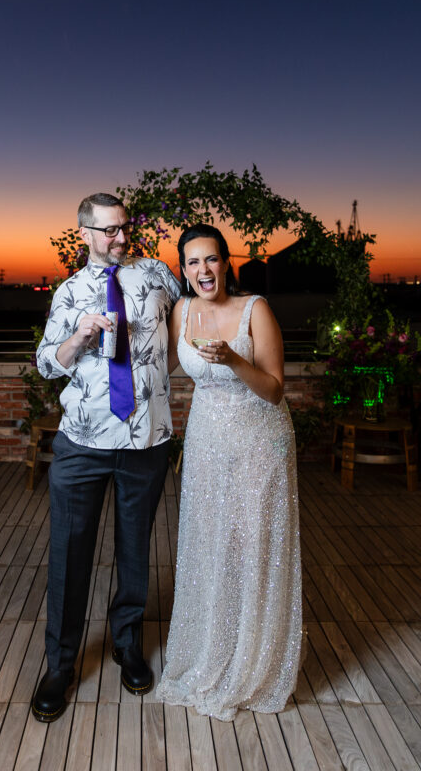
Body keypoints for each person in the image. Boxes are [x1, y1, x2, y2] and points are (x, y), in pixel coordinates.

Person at [31, 192, 180, 723]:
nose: (121, 237)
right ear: (86, 234)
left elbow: (202, 305)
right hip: (82, 446)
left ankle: (127, 644)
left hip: (146, 441)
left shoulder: (159, 275)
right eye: (110, 230)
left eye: (125, 228)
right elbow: (48, 364)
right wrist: (79, 335)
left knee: (136, 550)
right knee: (70, 555)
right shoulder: (68, 292)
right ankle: (61, 664)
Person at [156, 224, 302, 721]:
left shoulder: (255, 309)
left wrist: (234, 359)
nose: (203, 271)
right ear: (183, 270)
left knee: (254, 545)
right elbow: (166, 366)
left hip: (260, 440)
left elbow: (275, 389)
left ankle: (253, 661)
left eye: (211, 260)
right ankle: (212, 651)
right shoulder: (182, 310)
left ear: (226, 262)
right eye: (192, 262)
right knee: (213, 542)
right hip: (207, 442)